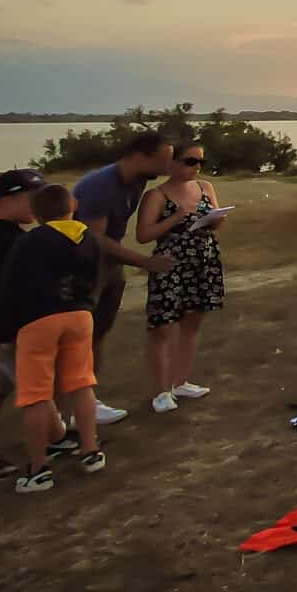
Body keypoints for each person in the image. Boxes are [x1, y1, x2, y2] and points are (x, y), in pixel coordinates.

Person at [0, 168, 75, 487]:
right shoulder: (7, 242)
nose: (38, 205)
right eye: (32, 198)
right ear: (6, 200)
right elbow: (1, 291)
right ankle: (59, 439)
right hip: (9, 333)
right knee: (36, 390)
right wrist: (8, 331)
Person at [0, 184, 107, 493]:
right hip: (80, 316)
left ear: (36, 214)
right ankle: (90, 450)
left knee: (36, 393)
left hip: (38, 319)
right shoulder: (89, 238)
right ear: (71, 206)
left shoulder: (30, 241)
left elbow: (11, 285)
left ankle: (38, 467)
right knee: (81, 383)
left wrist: (5, 328)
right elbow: (94, 279)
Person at [71, 131, 177, 426]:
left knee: (98, 333)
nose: (168, 168)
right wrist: (145, 262)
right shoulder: (100, 186)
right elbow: (94, 241)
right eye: (163, 161)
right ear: (141, 156)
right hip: (83, 266)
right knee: (80, 337)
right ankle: (71, 407)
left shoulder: (138, 181)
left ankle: (87, 399)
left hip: (110, 265)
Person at [135, 139, 226, 413]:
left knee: (193, 321)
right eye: (190, 161)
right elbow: (143, 235)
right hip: (171, 263)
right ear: (172, 163)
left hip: (203, 259)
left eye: (201, 162)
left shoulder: (205, 187)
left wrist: (216, 217)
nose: (196, 167)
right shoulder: (156, 195)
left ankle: (181, 380)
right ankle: (161, 391)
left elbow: (217, 222)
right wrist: (175, 219)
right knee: (163, 326)